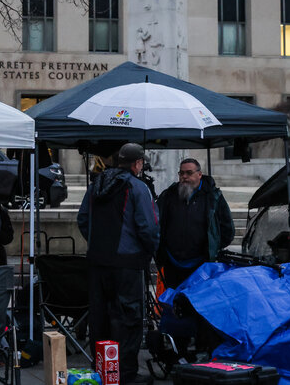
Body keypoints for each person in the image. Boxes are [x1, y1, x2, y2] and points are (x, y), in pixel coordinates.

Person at [77, 143, 159, 385]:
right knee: (128, 320)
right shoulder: (137, 187)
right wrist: (147, 251)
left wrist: (97, 243)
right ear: (137, 164)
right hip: (127, 263)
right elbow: (149, 227)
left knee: (99, 318)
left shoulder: (96, 185)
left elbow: (83, 219)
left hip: (97, 262)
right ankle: (125, 374)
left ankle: (103, 370)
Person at [156, 158, 234, 288]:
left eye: (189, 173)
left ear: (199, 174)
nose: (184, 177)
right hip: (172, 263)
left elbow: (227, 229)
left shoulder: (213, 197)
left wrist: (213, 247)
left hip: (201, 264)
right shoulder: (169, 195)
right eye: (181, 173)